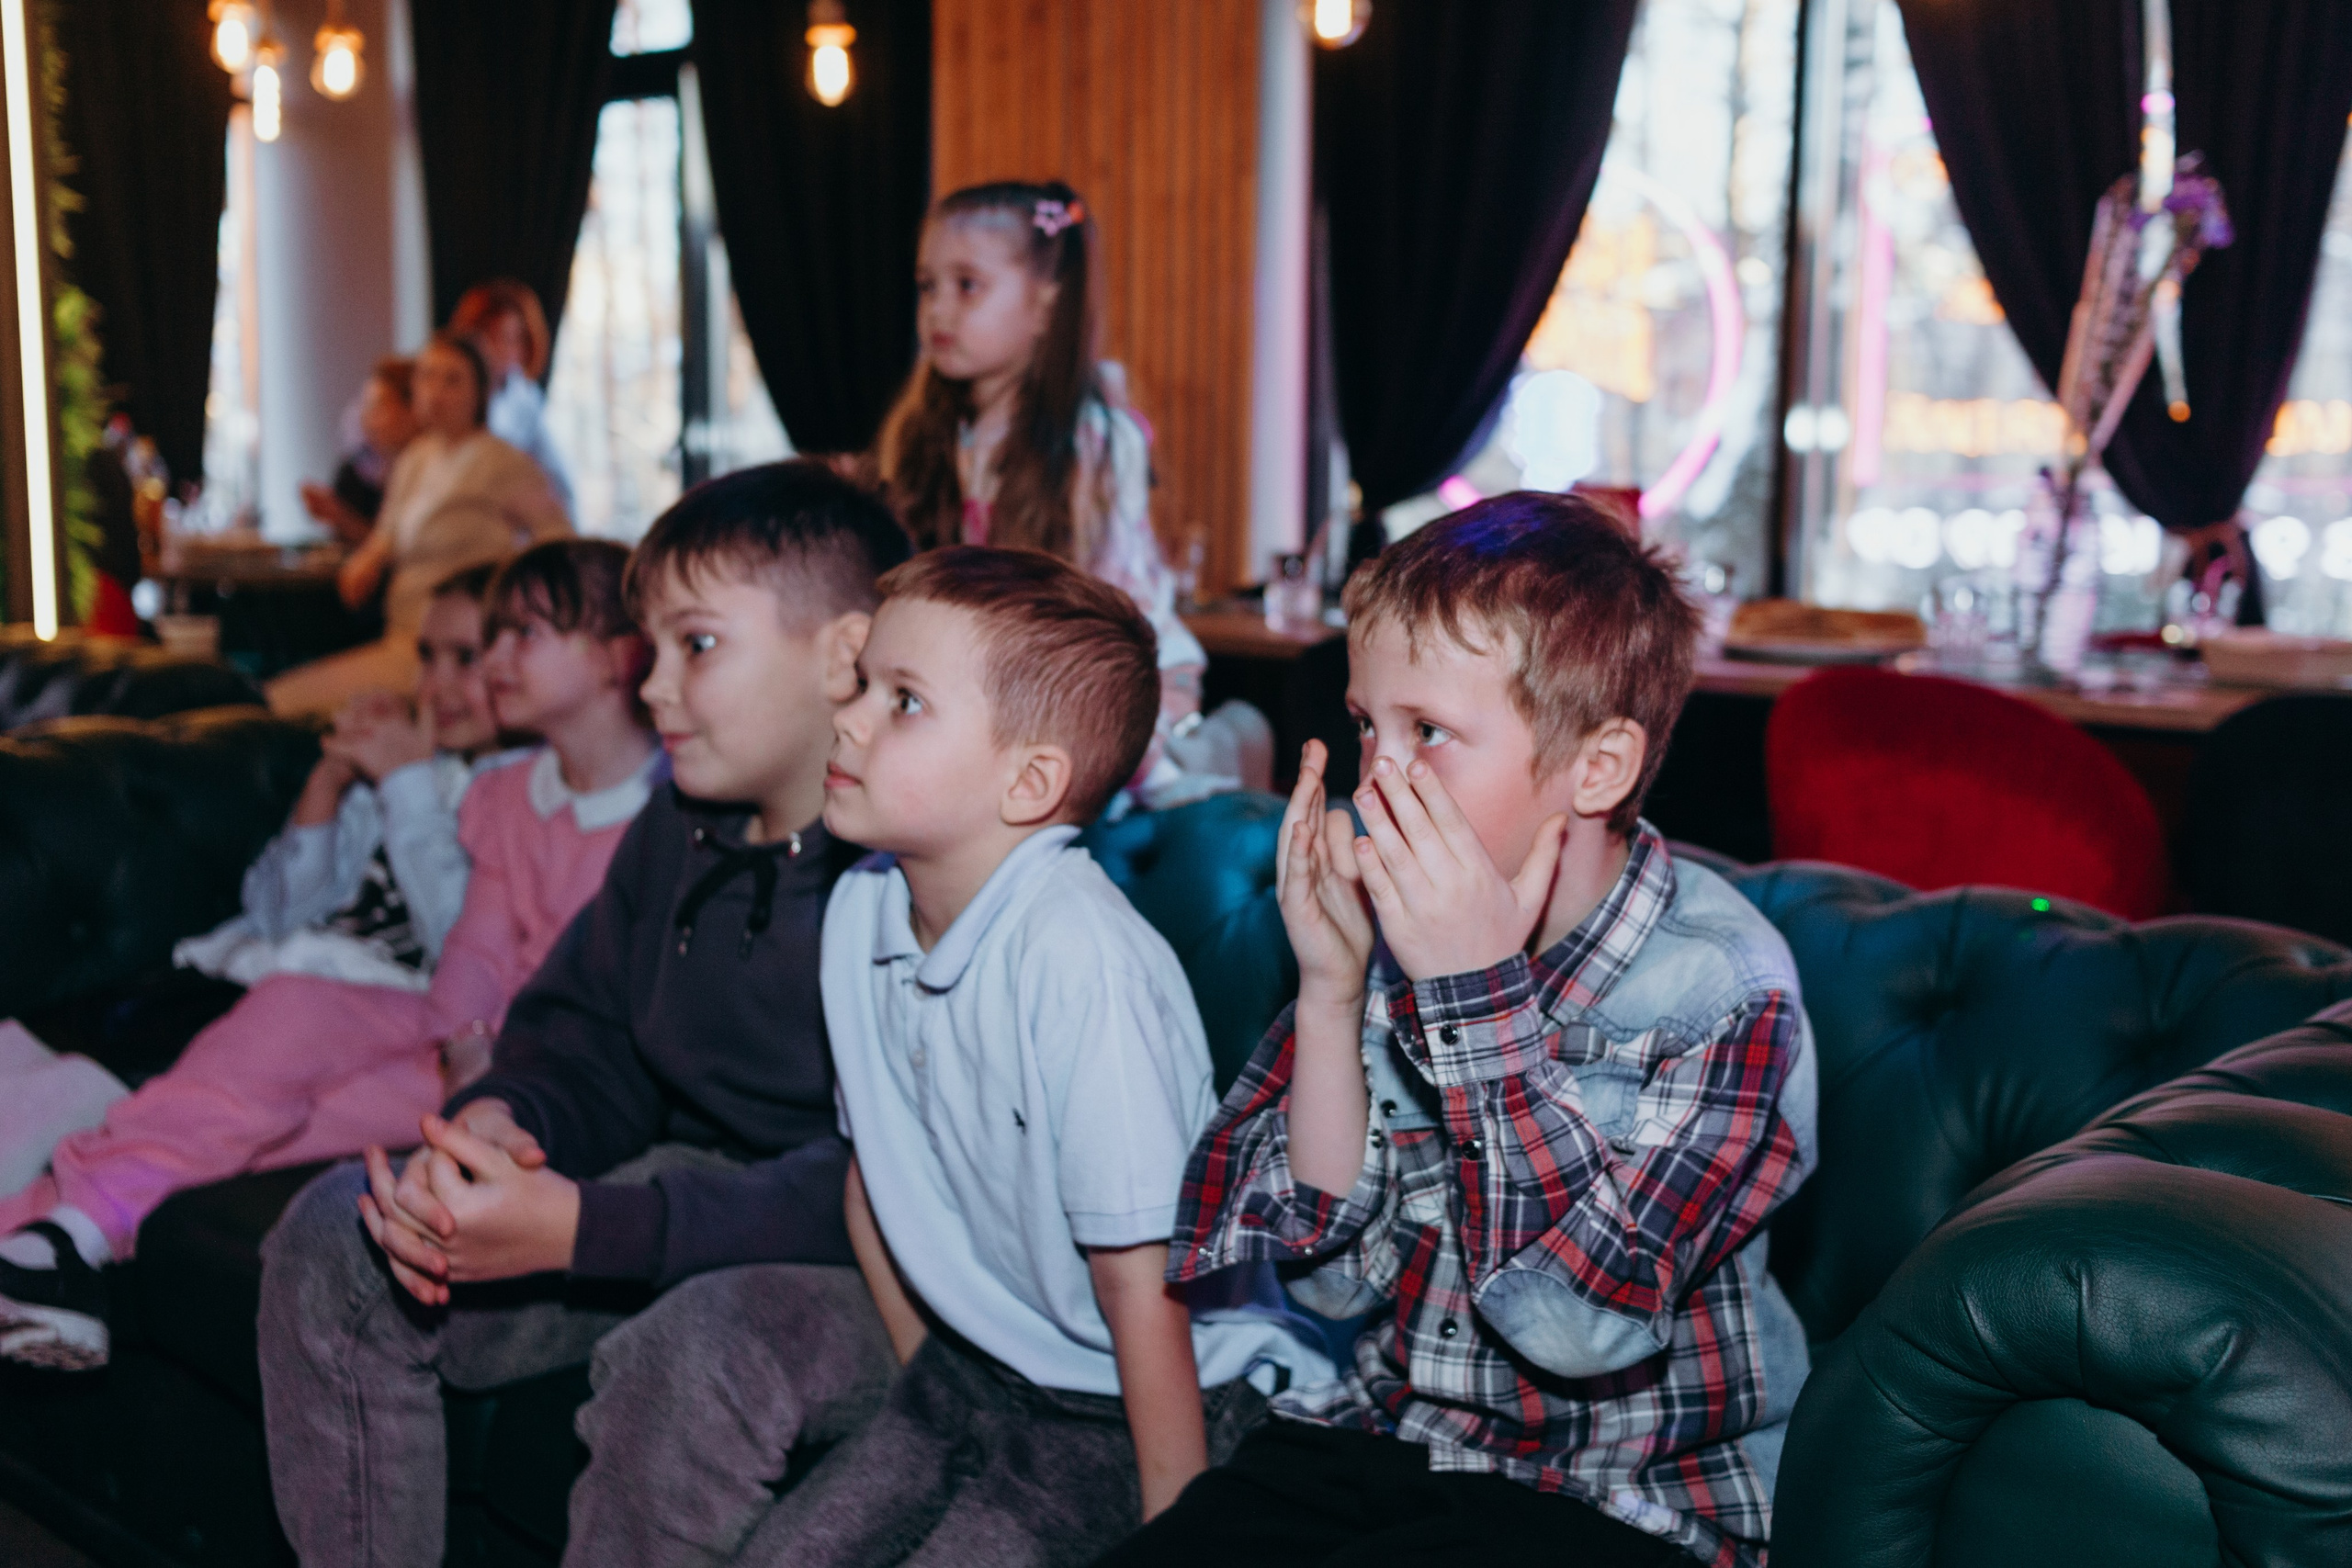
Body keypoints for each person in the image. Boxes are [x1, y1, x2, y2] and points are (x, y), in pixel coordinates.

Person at [1097, 492, 1819, 1568]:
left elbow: (1580, 1329)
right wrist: (1333, 994)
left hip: (1625, 1498)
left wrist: (1477, 997)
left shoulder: (1722, 989)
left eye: (1426, 732)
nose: (1373, 776)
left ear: (1599, 767)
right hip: (1395, 1440)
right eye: (1365, 727)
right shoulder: (1400, 935)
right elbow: (1328, 1280)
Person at [254, 461, 912, 1568]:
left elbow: (875, 1184)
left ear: (843, 653)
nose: (650, 687)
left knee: (700, 1352)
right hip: (680, 1197)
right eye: (645, 649)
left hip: (864, 1264)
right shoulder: (678, 824)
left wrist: (588, 1230)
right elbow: (587, 1031)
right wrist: (509, 1124)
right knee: (338, 1240)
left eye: (693, 646)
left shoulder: (910, 871)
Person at [707, 546, 1323, 1568]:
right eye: (862, 684)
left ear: (1029, 780)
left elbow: (1147, 1290)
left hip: (1159, 1391)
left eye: (902, 702)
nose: (849, 716)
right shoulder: (859, 899)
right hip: (982, 1362)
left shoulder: (1082, 963)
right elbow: (879, 1176)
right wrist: (929, 1403)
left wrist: (1177, 1540)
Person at [0, 541, 661, 1371]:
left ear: (616, 656)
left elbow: (587, 1003)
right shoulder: (505, 793)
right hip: (441, 1029)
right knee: (294, 1008)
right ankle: (57, 1237)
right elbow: (475, 951)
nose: (493, 663)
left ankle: (44, 1234)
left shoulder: (657, 821)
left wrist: (488, 1086)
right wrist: (461, 1049)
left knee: (276, 1119)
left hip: (533, 1070)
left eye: (519, 635)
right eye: (482, 642)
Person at [875, 181, 1262, 807]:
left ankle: (1205, 757)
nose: (938, 311)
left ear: (1046, 304)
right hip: (996, 682)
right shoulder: (925, 433)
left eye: (967, 285)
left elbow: (1113, 612)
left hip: (1102, 675)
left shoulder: (1093, 442)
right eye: (928, 286)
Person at [175, 562, 515, 993]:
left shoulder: (519, 797)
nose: (436, 686)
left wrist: (407, 784)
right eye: (427, 657)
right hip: (260, 976)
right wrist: (328, 785)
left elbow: (463, 954)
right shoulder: (414, 770)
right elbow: (276, 919)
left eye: (467, 658)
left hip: (368, 1006)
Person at [267, 333, 571, 716]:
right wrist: (363, 557)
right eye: (427, 377)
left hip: (454, 654)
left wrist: (511, 617)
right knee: (277, 695)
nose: (436, 392)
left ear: (480, 390)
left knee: (284, 704)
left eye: (452, 380)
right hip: (402, 638)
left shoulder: (503, 463)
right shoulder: (417, 457)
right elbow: (385, 539)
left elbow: (558, 542)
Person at [448, 277, 573, 514]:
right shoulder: (441, 391)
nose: (496, 349)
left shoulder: (524, 401)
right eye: (486, 336)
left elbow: (559, 483)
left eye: (511, 339)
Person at [301, 355, 420, 550]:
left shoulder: (427, 468)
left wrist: (340, 517)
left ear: (414, 408)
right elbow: (384, 545)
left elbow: (401, 552)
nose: (367, 419)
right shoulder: (366, 469)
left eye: (379, 406)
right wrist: (337, 515)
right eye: (367, 406)